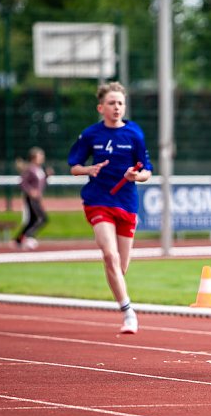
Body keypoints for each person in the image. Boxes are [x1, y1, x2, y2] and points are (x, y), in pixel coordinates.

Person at [68, 82, 153, 335]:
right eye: (111, 103)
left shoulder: (134, 133)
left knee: (120, 267)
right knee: (110, 256)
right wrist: (88, 169)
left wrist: (135, 176)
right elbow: (74, 167)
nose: (116, 107)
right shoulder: (90, 134)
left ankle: (122, 300)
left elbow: (147, 170)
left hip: (126, 202)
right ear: (101, 108)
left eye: (120, 103)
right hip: (98, 200)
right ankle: (129, 312)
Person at [14, 146, 52, 250]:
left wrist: (47, 176)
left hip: (37, 198)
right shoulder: (30, 169)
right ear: (33, 157)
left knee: (32, 220)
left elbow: (40, 184)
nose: (42, 158)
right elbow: (22, 182)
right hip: (31, 198)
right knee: (42, 218)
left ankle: (19, 240)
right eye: (40, 156)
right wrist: (30, 191)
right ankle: (28, 236)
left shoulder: (39, 169)